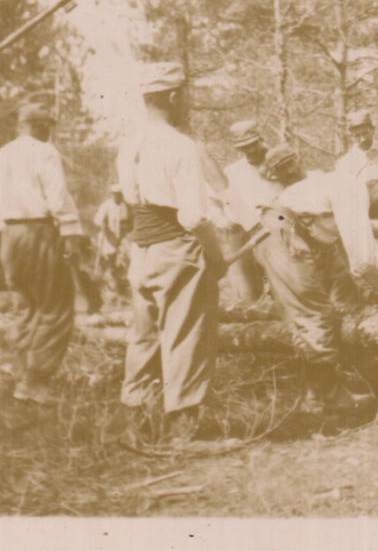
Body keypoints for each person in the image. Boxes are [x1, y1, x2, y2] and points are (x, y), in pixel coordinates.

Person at [115, 62, 223, 441]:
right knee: (185, 335)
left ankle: (138, 425)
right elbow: (193, 217)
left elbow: (129, 200)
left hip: (141, 249)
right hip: (175, 245)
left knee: (143, 336)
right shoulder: (180, 145)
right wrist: (217, 255)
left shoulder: (129, 143)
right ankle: (182, 429)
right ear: (174, 97)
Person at [0, 101, 82, 405]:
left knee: (25, 306)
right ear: (39, 126)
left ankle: (21, 380)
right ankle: (35, 382)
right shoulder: (45, 151)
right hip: (39, 232)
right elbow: (58, 197)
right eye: (47, 126)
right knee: (56, 307)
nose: (48, 131)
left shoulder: (0, 155)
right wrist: (71, 234)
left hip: (10, 237)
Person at [258, 144, 378, 415]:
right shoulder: (353, 189)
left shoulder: (330, 183)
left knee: (307, 314)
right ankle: (332, 398)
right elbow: (363, 256)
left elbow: (330, 234)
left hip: (285, 226)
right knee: (313, 313)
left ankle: (314, 395)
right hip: (284, 230)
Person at [334, 109, 378, 288]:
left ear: (373, 129)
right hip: (364, 212)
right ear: (351, 135)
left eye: (365, 133)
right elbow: (342, 193)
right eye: (357, 135)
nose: (362, 139)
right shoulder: (345, 162)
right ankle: (376, 284)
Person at [216, 120, 279, 304]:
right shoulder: (233, 172)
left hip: (277, 232)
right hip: (246, 235)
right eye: (244, 147)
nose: (250, 151)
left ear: (261, 140)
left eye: (253, 145)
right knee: (248, 295)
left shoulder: (278, 163)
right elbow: (223, 203)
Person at [91, 184, 132, 303]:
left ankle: (122, 291)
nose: (117, 196)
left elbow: (129, 222)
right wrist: (104, 225)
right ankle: (109, 292)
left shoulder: (125, 206)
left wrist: (125, 231)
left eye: (119, 194)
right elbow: (98, 220)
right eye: (115, 194)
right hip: (108, 237)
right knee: (109, 263)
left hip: (121, 237)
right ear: (112, 194)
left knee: (124, 261)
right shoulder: (106, 206)